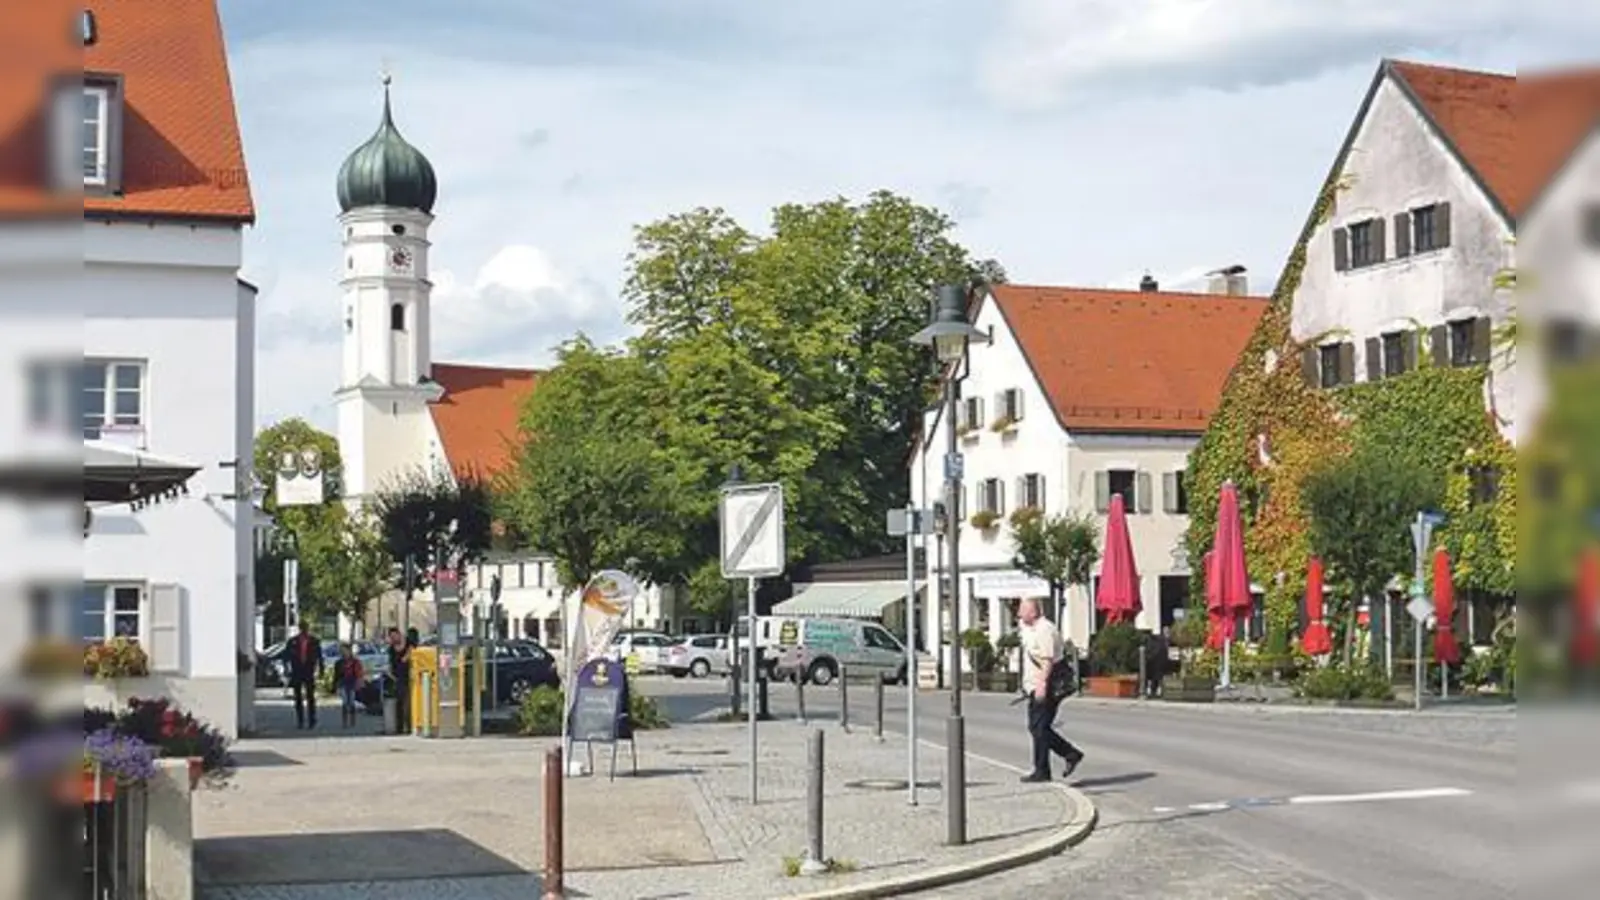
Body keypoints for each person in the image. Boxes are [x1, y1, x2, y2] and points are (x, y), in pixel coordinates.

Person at [1017, 598, 1084, 783]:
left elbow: (1047, 660)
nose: (1019, 614)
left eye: (1022, 610)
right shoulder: (1030, 629)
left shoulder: (1045, 629)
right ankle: (1063, 758)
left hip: (1046, 686)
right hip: (1035, 685)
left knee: (1039, 728)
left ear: (1033, 612)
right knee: (1038, 727)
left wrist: (1042, 685)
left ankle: (1047, 767)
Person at [279, 621, 324, 730]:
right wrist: (286, 668)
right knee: (298, 697)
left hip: (309, 670)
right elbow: (285, 656)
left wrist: (321, 669)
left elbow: (319, 656)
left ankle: (312, 719)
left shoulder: (314, 641)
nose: (304, 630)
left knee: (310, 696)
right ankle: (300, 720)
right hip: (297, 671)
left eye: (305, 628)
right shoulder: (293, 641)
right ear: (300, 629)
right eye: (302, 628)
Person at [387, 627, 413, 735]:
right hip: (398, 679)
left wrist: (407, 656)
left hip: (410, 677)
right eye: (391, 637)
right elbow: (393, 663)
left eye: (395, 636)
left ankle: (409, 727)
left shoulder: (409, 644)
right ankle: (400, 728)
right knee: (399, 704)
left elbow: (413, 652)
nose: (393, 639)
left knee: (407, 704)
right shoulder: (391, 649)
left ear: (399, 634)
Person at [333, 643, 365, 729]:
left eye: (345, 650)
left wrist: (359, 682)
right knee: (344, 701)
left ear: (349, 651)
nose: (343, 652)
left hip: (352, 682)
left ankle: (352, 720)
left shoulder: (355, 662)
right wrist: (335, 686)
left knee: (351, 701)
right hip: (343, 682)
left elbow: (359, 673)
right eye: (341, 651)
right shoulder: (339, 663)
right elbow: (336, 675)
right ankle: (345, 722)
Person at [1144, 627, 1171, 699]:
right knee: (1154, 677)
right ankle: (1151, 691)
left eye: (1168, 632)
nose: (1168, 634)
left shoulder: (1164, 641)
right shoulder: (1159, 641)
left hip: (1159, 662)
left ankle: (1153, 691)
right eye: (1166, 632)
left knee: (1156, 677)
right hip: (1156, 662)